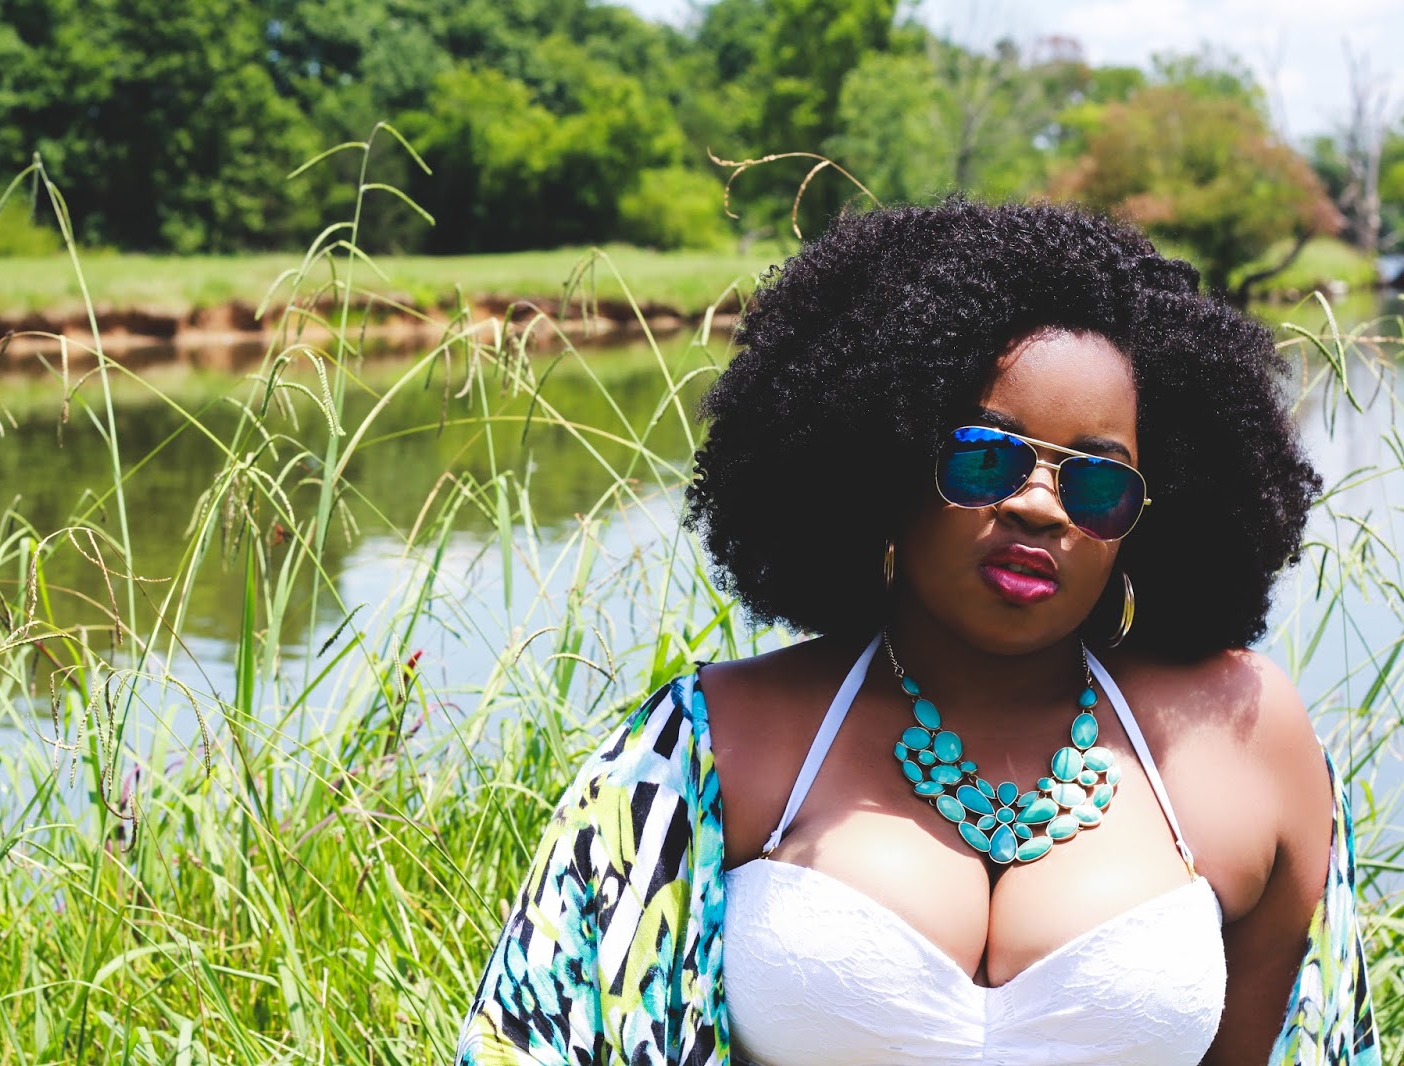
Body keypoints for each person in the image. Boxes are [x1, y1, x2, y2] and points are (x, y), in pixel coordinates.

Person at [456, 201, 1379, 1065]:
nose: (1039, 506)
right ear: (884, 462)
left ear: (1143, 520)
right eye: (985, 457)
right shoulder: (711, 745)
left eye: (1097, 484)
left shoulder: (1244, 741)